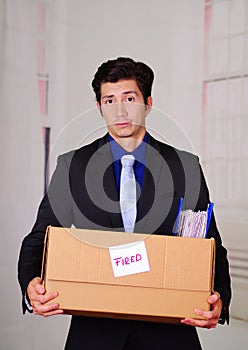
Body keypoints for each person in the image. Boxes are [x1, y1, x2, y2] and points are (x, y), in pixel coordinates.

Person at [18, 57, 231, 350]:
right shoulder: (74, 166)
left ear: (148, 103)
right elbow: (40, 237)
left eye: (129, 98)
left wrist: (218, 296)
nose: (119, 110)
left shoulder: (184, 167)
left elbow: (210, 243)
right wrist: (31, 284)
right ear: (99, 107)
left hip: (169, 334)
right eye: (109, 100)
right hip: (94, 335)